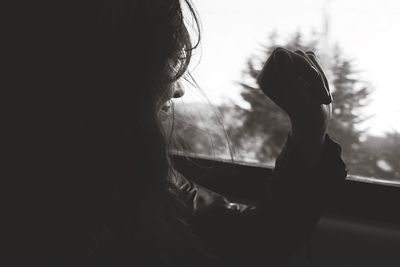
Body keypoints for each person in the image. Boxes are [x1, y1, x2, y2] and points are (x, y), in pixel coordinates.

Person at [61, 0, 347, 266]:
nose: (179, 90)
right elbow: (258, 242)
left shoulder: (147, 180)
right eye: (171, 69)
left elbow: (255, 237)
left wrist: (309, 126)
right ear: (128, 79)